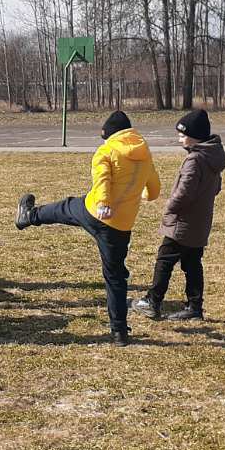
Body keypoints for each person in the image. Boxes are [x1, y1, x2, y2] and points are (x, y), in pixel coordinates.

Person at [14, 111, 161, 346]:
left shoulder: (107, 150)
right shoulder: (144, 152)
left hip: (95, 212)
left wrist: (103, 203)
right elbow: (153, 190)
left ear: (110, 134)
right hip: (121, 224)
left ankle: (29, 216)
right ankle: (119, 332)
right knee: (115, 276)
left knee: (64, 208)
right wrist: (139, 194)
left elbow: (102, 179)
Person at [132, 109, 225, 322]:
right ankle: (195, 306)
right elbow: (216, 187)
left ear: (195, 137)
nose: (179, 138)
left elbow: (184, 192)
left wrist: (170, 207)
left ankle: (152, 301)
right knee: (192, 263)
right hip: (200, 222)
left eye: (183, 135)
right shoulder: (212, 156)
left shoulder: (195, 160)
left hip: (183, 222)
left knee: (164, 259)